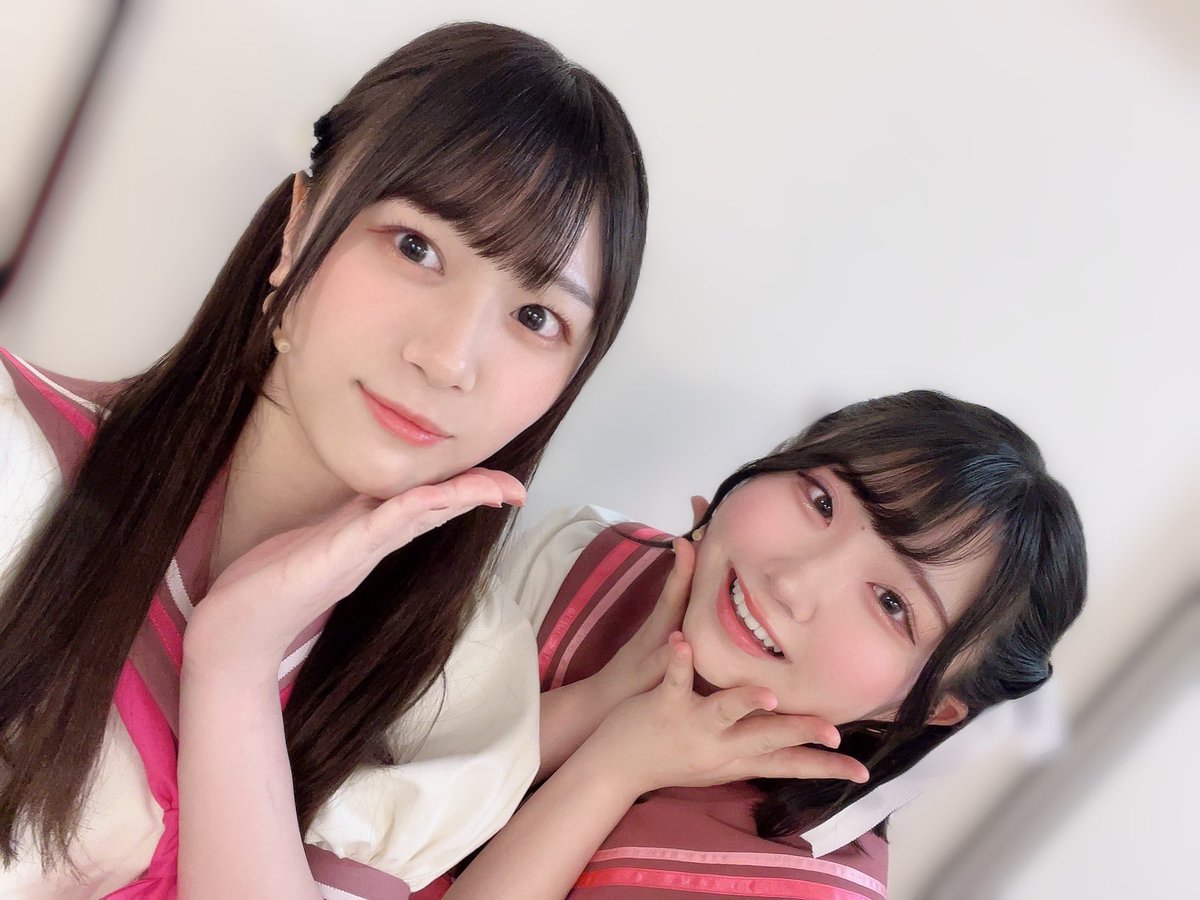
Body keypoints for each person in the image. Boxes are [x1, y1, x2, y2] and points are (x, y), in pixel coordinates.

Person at [0, 22, 648, 898]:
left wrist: (235, 662)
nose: (448, 359)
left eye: (537, 318)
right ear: (299, 227)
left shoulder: (453, 679)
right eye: (416, 247)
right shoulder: (16, 460)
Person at [442, 390, 1087, 899]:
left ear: (933, 707)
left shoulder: (805, 886)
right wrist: (602, 701)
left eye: (892, 603)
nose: (792, 582)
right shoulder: (582, 557)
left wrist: (615, 766)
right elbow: (377, 772)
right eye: (822, 502)